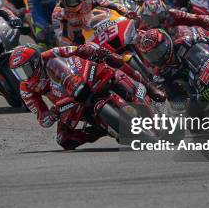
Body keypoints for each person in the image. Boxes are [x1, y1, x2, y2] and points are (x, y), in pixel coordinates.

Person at [9, 43, 166, 150]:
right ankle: (100, 129)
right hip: (68, 101)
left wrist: (91, 50)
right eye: (19, 72)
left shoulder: (51, 54)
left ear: (36, 61)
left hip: (82, 78)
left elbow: (77, 49)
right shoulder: (26, 88)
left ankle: (149, 87)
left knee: (109, 58)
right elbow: (42, 119)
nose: (24, 76)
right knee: (64, 140)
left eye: (25, 69)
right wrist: (52, 114)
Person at [51, 0, 136, 46]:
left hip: (98, 28)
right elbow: (60, 36)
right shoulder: (57, 14)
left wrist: (126, 12)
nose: (74, 2)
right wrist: (75, 47)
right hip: (80, 42)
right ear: (62, 0)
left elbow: (112, 4)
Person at [137, 0, 209, 31]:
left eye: (158, 17)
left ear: (165, 13)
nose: (155, 22)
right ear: (144, 17)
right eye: (150, 19)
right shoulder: (142, 26)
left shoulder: (173, 14)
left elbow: (197, 17)